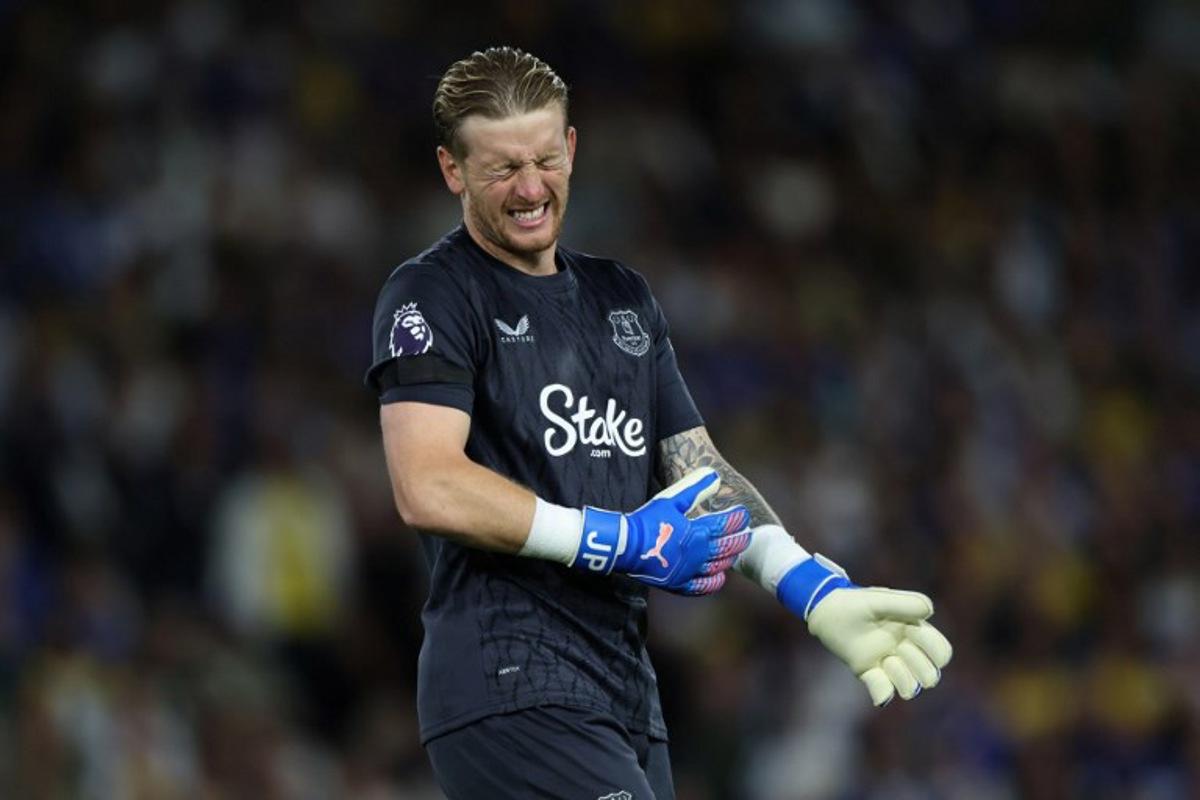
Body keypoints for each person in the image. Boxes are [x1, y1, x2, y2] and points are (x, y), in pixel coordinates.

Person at [365, 46, 953, 800]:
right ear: (452, 170)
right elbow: (428, 485)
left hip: (624, 695)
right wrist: (616, 540)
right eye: (501, 169)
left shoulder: (622, 301)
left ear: (572, 148)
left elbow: (698, 473)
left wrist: (806, 583)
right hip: (505, 681)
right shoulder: (432, 293)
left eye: (546, 159)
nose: (530, 187)